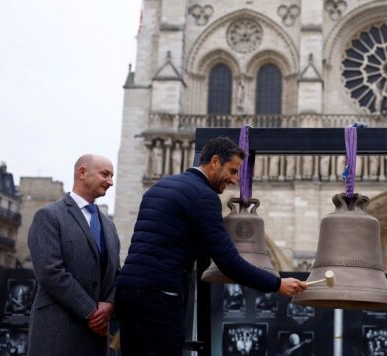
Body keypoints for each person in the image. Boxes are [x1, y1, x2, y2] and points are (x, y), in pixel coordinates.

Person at [116, 136, 306, 355]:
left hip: (128, 294)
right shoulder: (204, 196)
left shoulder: (159, 187)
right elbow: (228, 262)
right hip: (160, 297)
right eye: (233, 171)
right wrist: (276, 284)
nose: (235, 180)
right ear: (214, 161)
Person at [27, 154, 120, 356]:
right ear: (82, 173)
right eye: (105, 174)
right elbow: (50, 272)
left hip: (95, 339)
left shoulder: (109, 225)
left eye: (112, 176)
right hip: (57, 333)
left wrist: (110, 305)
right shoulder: (49, 216)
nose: (111, 182)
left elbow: (116, 273)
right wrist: (91, 311)